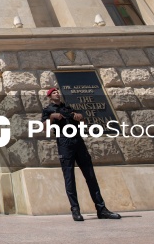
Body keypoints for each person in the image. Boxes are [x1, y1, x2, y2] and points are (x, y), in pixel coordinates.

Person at [41, 87, 121, 222]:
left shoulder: (69, 108)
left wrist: (81, 118)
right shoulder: (48, 110)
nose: (57, 94)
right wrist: (51, 117)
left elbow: (84, 125)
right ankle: (75, 210)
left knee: (90, 176)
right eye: (54, 93)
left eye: (57, 92)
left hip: (78, 142)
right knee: (69, 178)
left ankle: (102, 209)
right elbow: (45, 128)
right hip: (64, 143)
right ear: (49, 97)